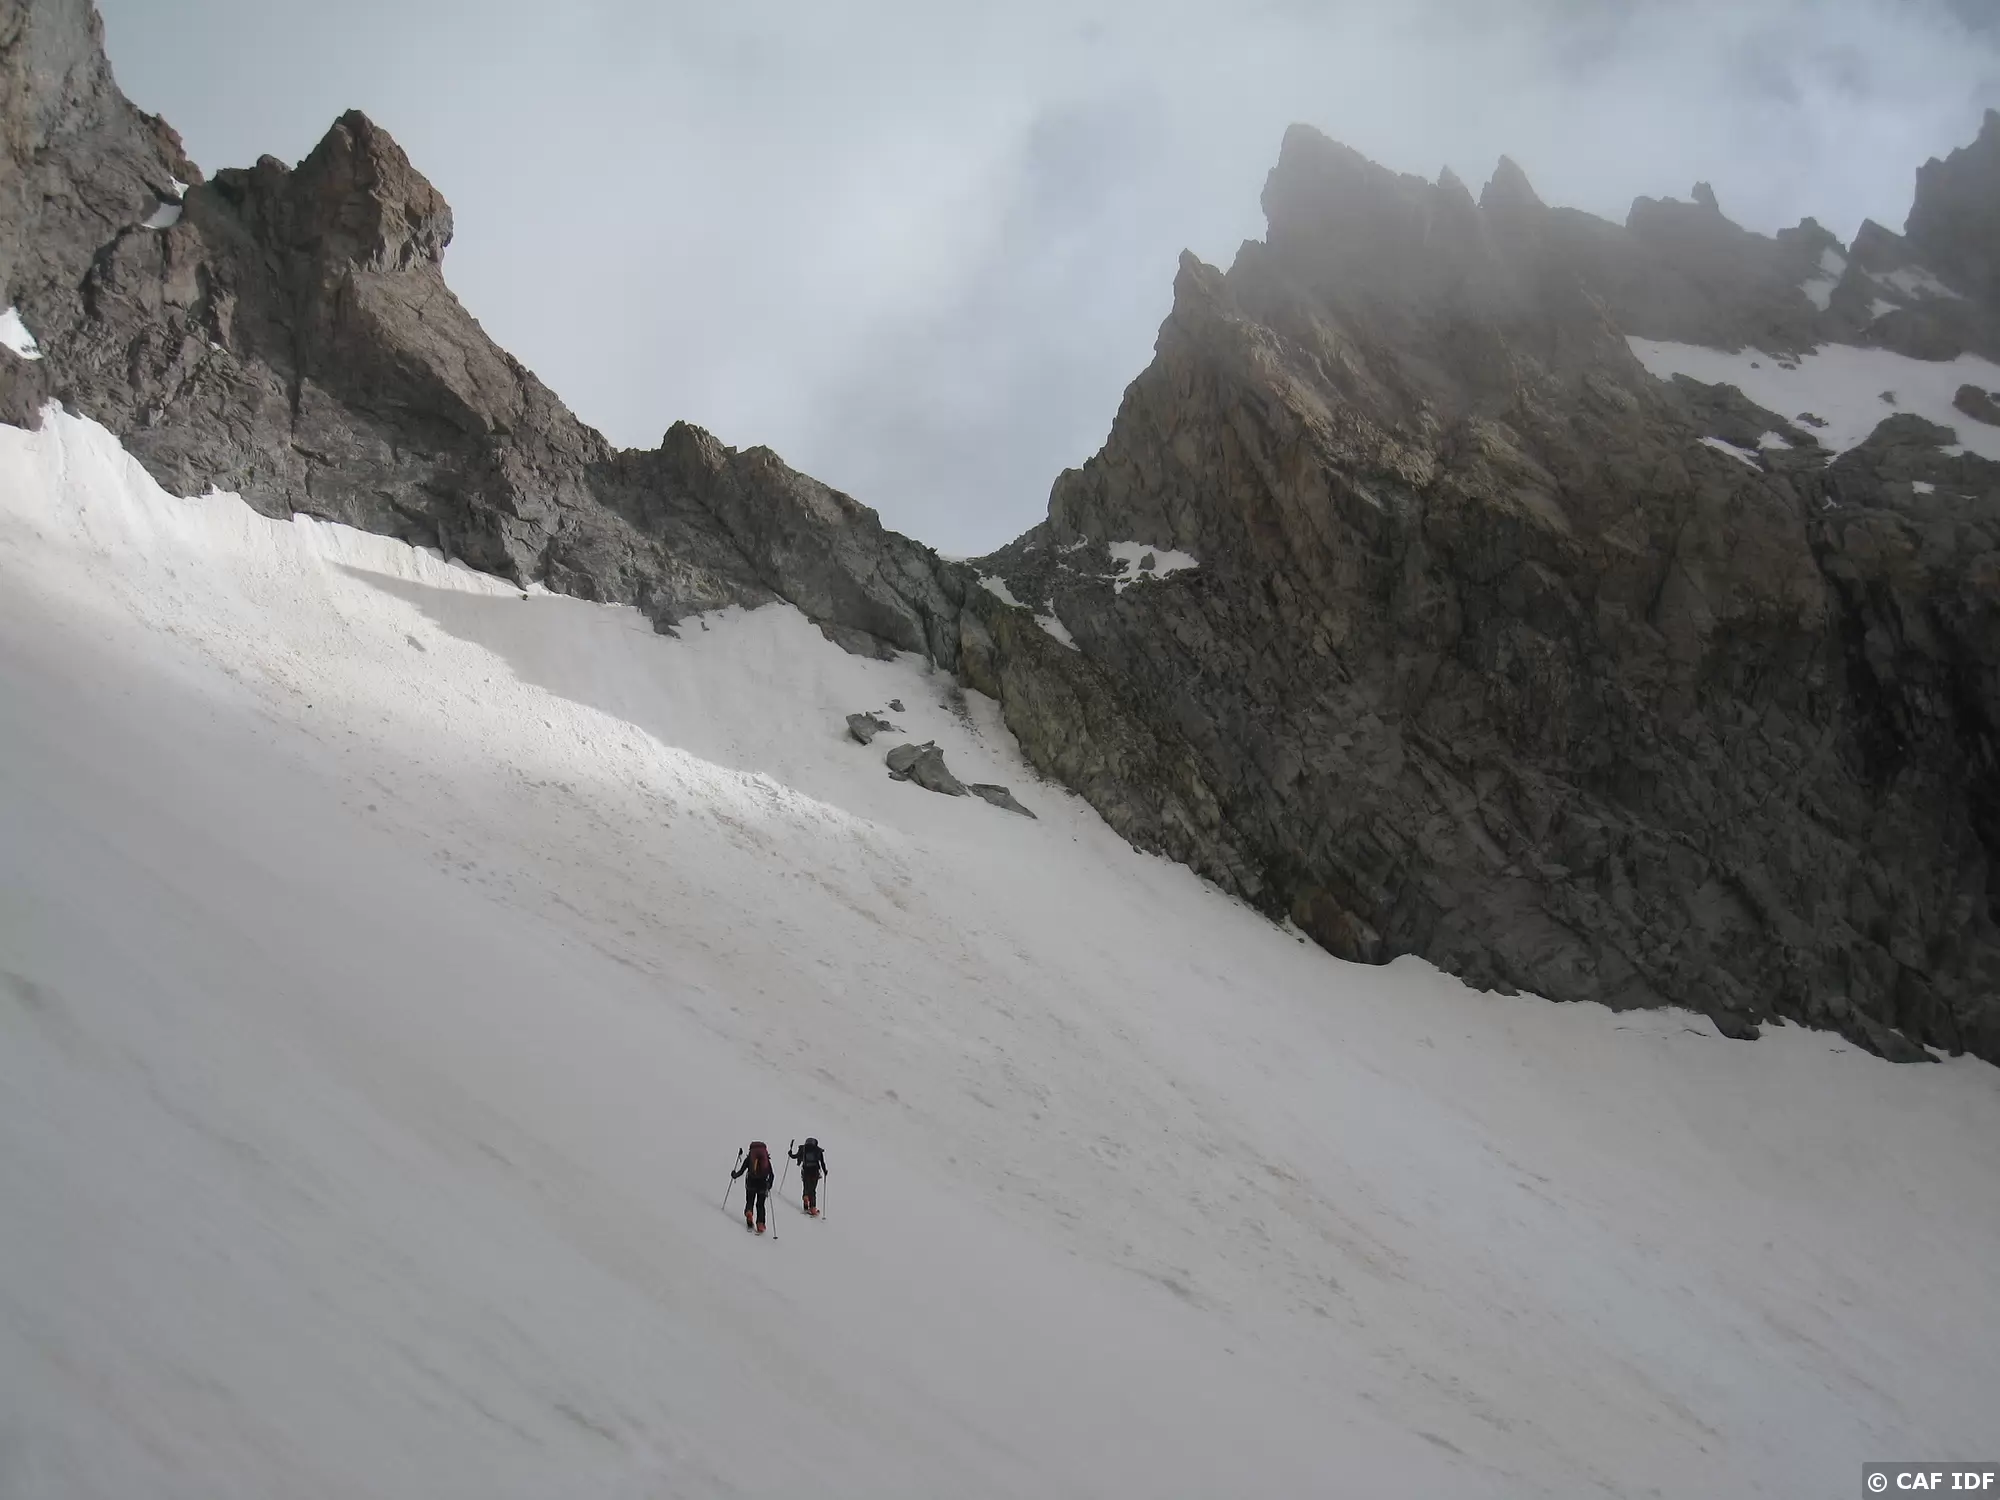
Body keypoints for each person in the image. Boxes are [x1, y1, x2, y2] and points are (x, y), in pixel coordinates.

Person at [733, 1140, 774, 1233]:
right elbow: (772, 1175)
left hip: (751, 1183)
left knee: (750, 1201)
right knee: (760, 1205)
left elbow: (741, 1171)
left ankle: (749, 1212)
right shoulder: (766, 1159)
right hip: (763, 1184)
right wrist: (769, 1185)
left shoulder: (750, 1158)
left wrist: (734, 1175)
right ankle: (760, 1224)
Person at [789, 1138, 828, 1216]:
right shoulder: (817, 1150)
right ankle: (812, 1208)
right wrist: (825, 1171)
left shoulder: (803, 1149)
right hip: (815, 1172)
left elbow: (794, 1156)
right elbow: (822, 1162)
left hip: (806, 1171)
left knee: (806, 1186)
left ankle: (806, 1199)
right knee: (813, 1190)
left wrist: (790, 1153)